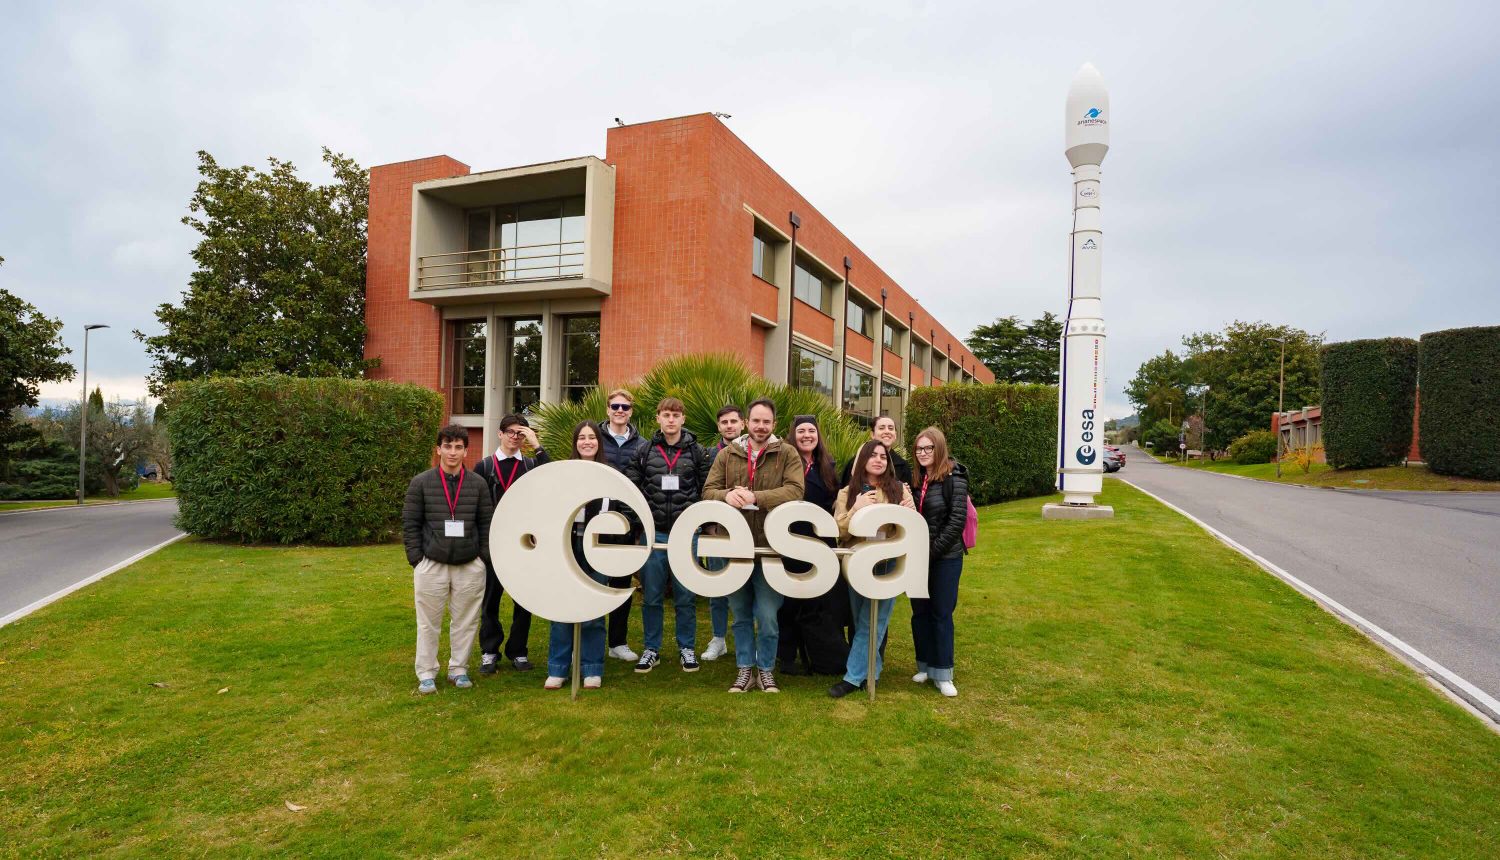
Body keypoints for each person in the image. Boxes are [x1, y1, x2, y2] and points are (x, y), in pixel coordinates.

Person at [703, 398, 805, 693]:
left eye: (767, 422)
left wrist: (756, 497)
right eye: (756, 421)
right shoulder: (729, 454)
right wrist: (726, 496)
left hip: (771, 547)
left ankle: (766, 670)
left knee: (768, 616)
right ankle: (745, 670)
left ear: (774, 424)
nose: (761, 426)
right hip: (734, 547)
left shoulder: (787, 453)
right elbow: (707, 490)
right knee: (741, 614)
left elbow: (796, 489)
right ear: (747, 423)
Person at [402, 424, 494, 695]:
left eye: (458, 447)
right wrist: (417, 559)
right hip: (432, 564)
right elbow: (410, 523)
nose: (452, 452)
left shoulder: (477, 484)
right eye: (447, 446)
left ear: (466, 451)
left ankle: (459, 669)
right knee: (428, 622)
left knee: (466, 621)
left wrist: (482, 558)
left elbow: (486, 523)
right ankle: (427, 672)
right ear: (438, 449)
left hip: (469, 565)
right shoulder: (421, 482)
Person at [624, 397, 710, 673]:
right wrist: (639, 525)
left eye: (676, 415)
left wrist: (700, 524)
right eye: (666, 415)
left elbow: (707, 489)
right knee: (652, 595)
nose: (671, 419)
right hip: (655, 533)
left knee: (686, 595)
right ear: (657, 418)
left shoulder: (697, 453)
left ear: (683, 419)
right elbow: (631, 490)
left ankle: (687, 648)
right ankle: (652, 649)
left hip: (687, 535)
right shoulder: (644, 451)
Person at [827, 440, 916, 699]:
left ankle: (852, 678)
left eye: (883, 456)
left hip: (888, 561)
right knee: (861, 618)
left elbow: (912, 526)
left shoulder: (900, 489)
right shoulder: (847, 492)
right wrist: (856, 508)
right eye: (873, 455)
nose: (879, 459)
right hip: (857, 561)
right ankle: (873, 671)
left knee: (872, 621)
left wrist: (907, 512)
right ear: (863, 459)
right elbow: (838, 530)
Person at [474, 414, 550, 673]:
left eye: (520, 433)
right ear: (500, 433)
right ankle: (489, 651)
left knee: (523, 600)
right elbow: (476, 508)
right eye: (510, 432)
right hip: (493, 545)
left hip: (523, 545)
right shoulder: (484, 466)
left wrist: (536, 444)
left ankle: (518, 650)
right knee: (490, 600)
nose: (514, 437)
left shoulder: (530, 465)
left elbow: (552, 477)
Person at [543, 422, 615, 690]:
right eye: (582, 438)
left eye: (592, 437)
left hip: (597, 547)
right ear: (575, 443)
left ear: (599, 442)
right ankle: (558, 668)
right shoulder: (565, 473)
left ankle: (592, 668)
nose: (587, 442)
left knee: (594, 608)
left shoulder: (611, 475)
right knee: (562, 605)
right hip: (568, 544)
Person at [776, 414, 850, 676]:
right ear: (792, 435)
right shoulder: (783, 461)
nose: (807, 435)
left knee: (815, 600)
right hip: (790, 538)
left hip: (820, 543)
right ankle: (786, 655)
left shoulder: (827, 464)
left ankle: (814, 653)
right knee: (788, 601)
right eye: (801, 431)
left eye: (811, 431)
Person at [909, 427, 969, 698]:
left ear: (939, 448)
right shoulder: (915, 478)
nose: (922, 453)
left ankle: (943, 672)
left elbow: (956, 521)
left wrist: (930, 552)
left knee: (941, 614)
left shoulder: (954, 477)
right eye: (919, 449)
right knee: (919, 614)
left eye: (928, 448)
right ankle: (925, 665)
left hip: (945, 557)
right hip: (917, 558)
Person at [597, 388, 646, 664]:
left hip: (627, 523)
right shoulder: (595, 439)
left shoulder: (642, 444)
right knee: (592, 580)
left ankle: (617, 641)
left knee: (620, 584)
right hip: (595, 521)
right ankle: (590, 637)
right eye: (615, 406)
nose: (619, 411)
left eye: (625, 407)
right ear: (607, 410)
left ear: (631, 411)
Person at [699, 404, 744, 662]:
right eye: (724, 422)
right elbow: (702, 490)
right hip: (716, 531)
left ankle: (743, 636)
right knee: (717, 587)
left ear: (743, 424)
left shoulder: (754, 454)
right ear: (719, 426)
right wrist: (708, 526)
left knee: (743, 587)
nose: (729, 426)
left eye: (733, 421)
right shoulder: (707, 456)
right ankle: (718, 638)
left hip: (747, 532)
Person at [839, 415, 913, 486]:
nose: (887, 431)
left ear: (895, 435)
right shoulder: (856, 462)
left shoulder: (903, 466)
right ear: (872, 434)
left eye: (890, 428)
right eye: (881, 428)